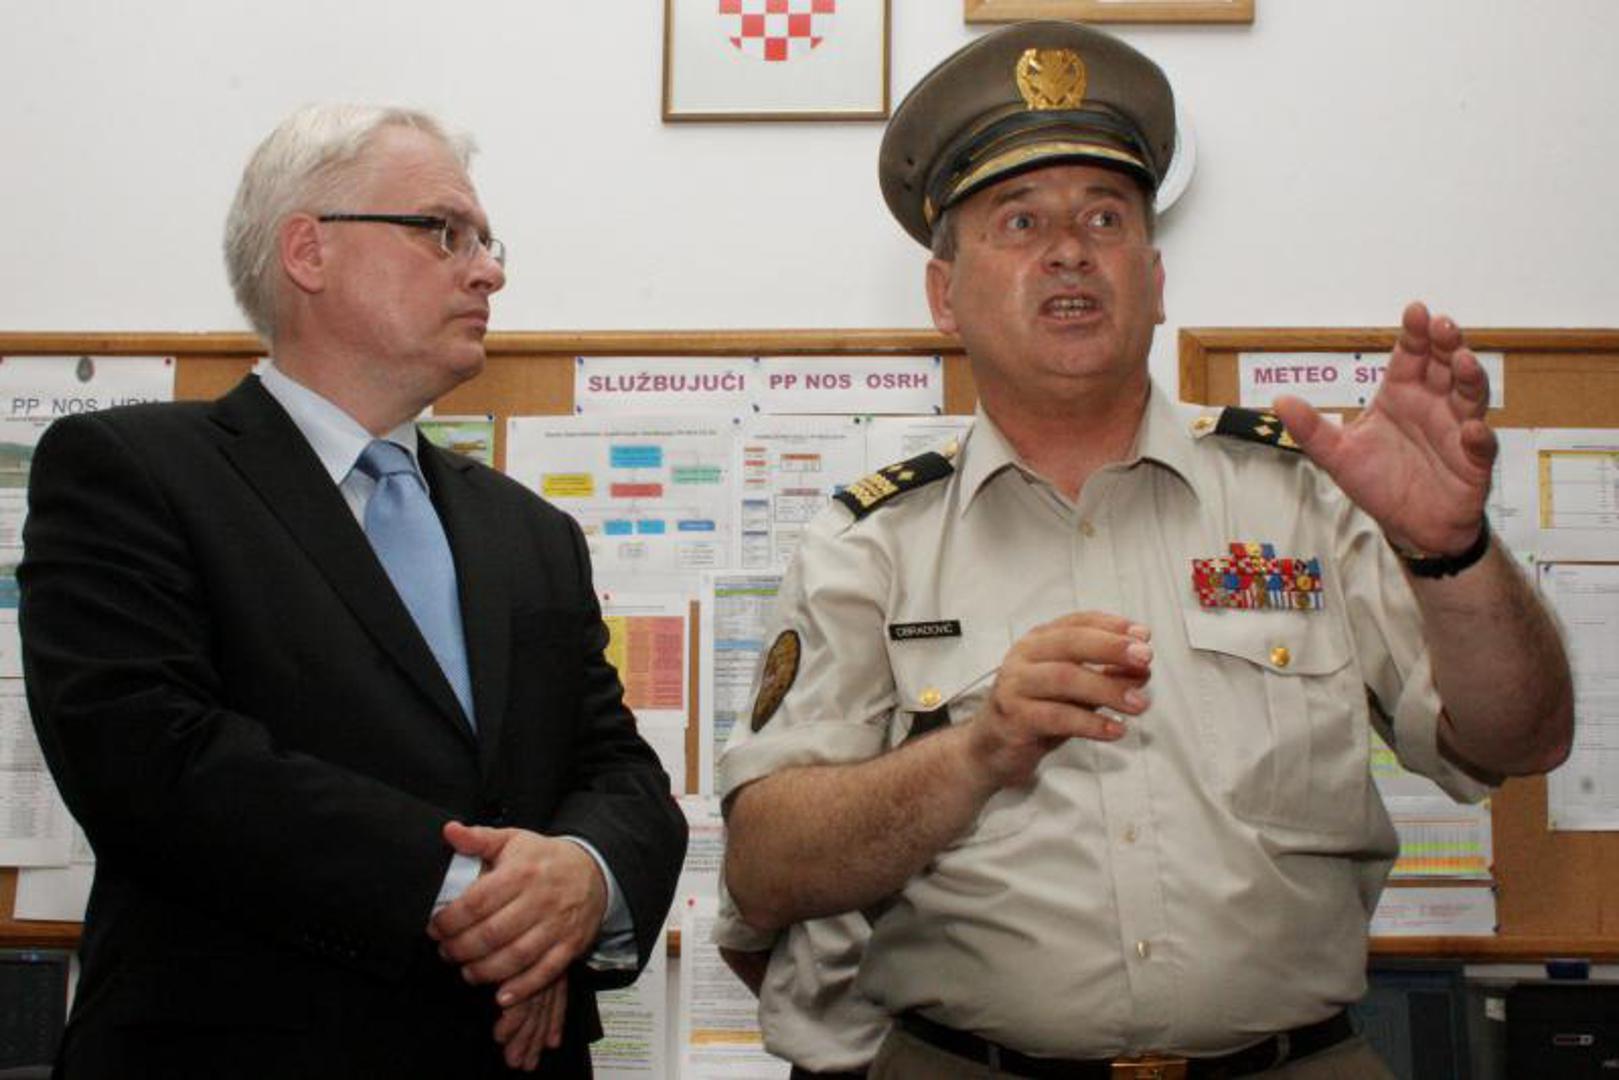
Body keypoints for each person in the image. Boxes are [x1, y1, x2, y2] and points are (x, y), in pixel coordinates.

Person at [720, 21, 1573, 1080]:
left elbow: (1520, 739)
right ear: (943, 297)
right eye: (1019, 220)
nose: (1068, 250)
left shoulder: (1302, 496)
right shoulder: (871, 543)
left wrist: (1451, 551)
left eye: (1104, 217)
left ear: (1155, 279)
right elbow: (765, 870)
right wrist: (977, 753)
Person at [19, 103, 686, 1078]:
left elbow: (618, 771)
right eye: (443, 231)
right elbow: (151, 758)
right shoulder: (129, 471)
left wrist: (583, 878)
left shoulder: (530, 531)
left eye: (486, 241)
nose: (487, 271)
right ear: (308, 250)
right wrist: (490, 900)